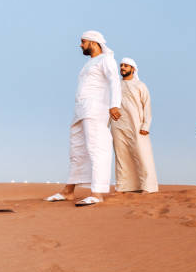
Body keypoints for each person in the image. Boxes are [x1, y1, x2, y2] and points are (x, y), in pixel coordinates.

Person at [44, 30, 121, 206]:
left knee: (97, 148)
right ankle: (68, 191)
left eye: (83, 41)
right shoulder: (89, 63)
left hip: (96, 109)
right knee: (77, 151)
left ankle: (98, 193)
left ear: (93, 42)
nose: (80, 45)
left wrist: (114, 104)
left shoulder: (106, 60)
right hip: (80, 110)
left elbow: (114, 81)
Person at [110, 58, 159, 193]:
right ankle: (125, 187)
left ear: (133, 69)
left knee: (142, 154)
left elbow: (147, 107)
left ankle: (148, 187)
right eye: (121, 66)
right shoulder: (115, 86)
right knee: (121, 155)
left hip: (136, 125)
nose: (123, 68)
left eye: (126, 66)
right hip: (117, 125)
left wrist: (146, 126)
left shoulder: (140, 86)